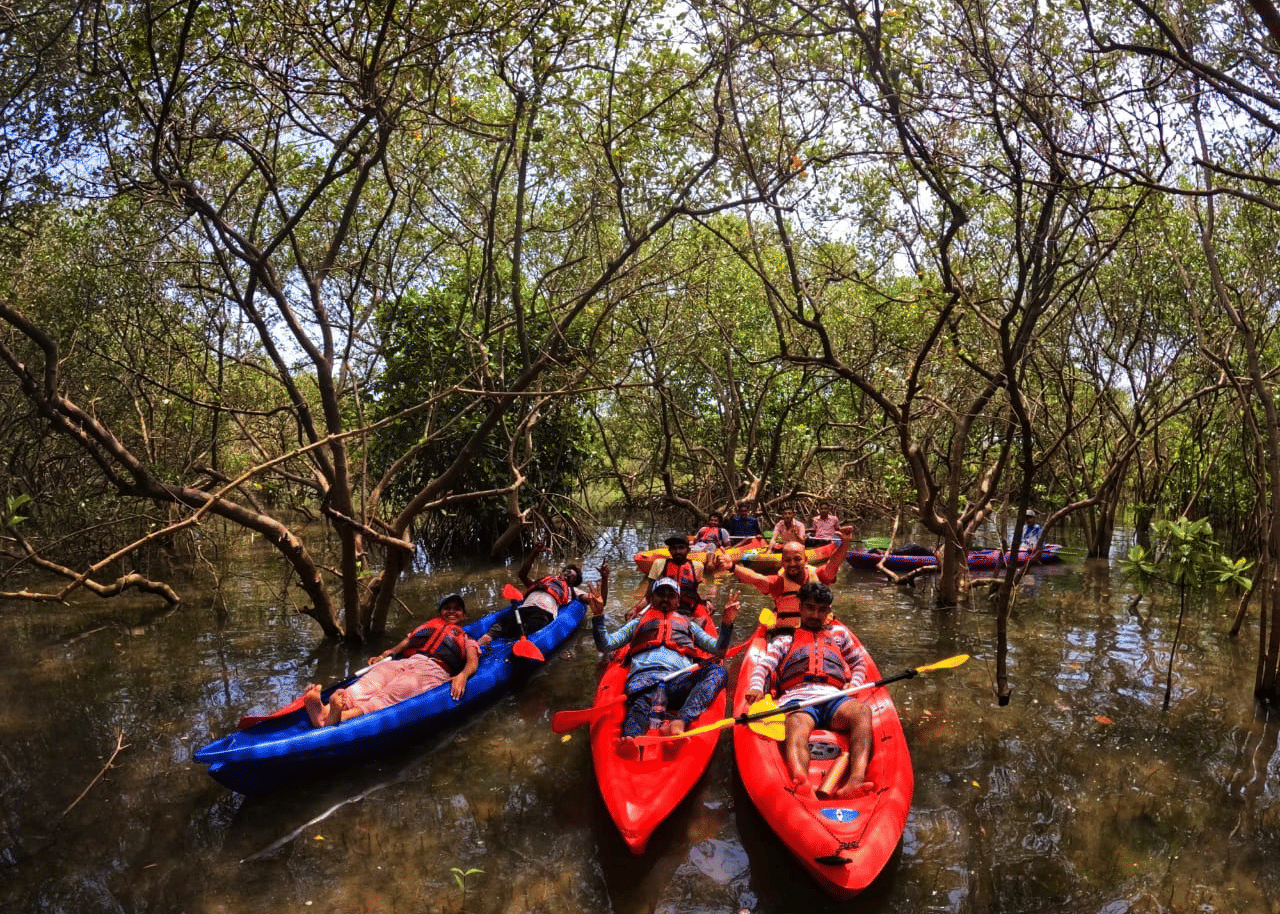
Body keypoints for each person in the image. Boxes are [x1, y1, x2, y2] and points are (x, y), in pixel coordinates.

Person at [741, 581, 874, 798]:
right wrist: (756, 688)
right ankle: (800, 780)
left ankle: (855, 781)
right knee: (795, 723)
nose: (815, 614)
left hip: (835, 698)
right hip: (799, 700)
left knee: (862, 712)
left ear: (829, 611)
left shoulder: (839, 635)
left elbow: (859, 664)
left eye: (822, 609)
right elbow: (763, 667)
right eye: (810, 608)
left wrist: (855, 685)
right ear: (800, 608)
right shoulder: (785, 639)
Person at [591, 576, 740, 739]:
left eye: (671, 595)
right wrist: (598, 617)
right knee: (636, 718)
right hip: (645, 684)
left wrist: (726, 624)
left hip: (678, 682)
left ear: (677, 602)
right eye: (660, 594)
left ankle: (681, 720)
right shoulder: (636, 623)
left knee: (718, 671)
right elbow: (605, 645)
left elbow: (719, 649)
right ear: (652, 599)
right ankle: (632, 741)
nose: (665, 599)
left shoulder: (689, 625)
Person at [302, 592, 480, 727]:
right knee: (370, 682)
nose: (451, 611)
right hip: (407, 661)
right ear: (440, 612)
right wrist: (387, 653)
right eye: (447, 608)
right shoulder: (429, 626)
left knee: (392, 694)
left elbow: (472, 662)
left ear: (464, 615)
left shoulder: (467, 638)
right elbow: (407, 641)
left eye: (457, 609)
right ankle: (325, 711)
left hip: (433, 670)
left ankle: (341, 717)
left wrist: (462, 676)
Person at [717, 524, 854, 629]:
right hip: (788, 633)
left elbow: (833, 565)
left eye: (797, 559)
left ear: (806, 560)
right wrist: (732, 567)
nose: (792, 563)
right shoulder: (779, 583)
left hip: (820, 629)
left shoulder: (818, 576)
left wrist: (845, 543)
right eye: (787, 560)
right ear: (783, 562)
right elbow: (756, 578)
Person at [478, 545, 601, 649]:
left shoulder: (572, 590)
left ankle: (513, 645)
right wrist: (534, 553)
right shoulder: (543, 581)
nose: (568, 576)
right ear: (562, 571)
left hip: (544, 613)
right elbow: (522, 574)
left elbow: (593, 600)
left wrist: (603, 582)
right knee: (504, 623)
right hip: (524, 608)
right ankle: (484, 639)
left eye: (572, 577)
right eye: (568, 572)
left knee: (530, 627)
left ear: (573, 582)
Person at [631, 534, 713, 628]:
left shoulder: (698, 567)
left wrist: (706, 601)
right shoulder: (659, 564)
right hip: (664, 606)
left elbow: (694, 591)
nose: (677, 551)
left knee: (703, 621)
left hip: (687, 608)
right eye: (673, 548)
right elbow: (648, 596)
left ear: (688, 550)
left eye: (681, 548)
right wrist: (635, 609)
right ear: (670, 551)